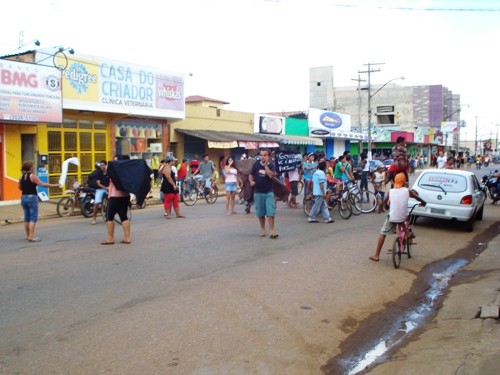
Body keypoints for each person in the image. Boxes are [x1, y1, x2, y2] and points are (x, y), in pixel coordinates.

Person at [369, 173, 426, 261]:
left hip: (393, 217)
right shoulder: (407, 191)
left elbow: (384, 204)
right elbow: (416, 197)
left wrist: (386, 207)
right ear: (404, 182)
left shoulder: (390, 191)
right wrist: (423, 202)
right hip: (403, 217)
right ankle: (406, 232)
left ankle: (376, 255)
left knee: (383, 233)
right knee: (404, 216)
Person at [18, 161, 61, 242]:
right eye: (33, 166)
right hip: (32, 197)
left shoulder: (21, 176)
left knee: (26, 217)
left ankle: (28, 235)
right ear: (30, 167)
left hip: (23, 197)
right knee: (33, 218)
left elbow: (19, 187)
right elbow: (43, 184)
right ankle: (31, 236)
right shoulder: (33, 176)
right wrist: (55, 185)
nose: (33, 167)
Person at [249, 148, 278, 238]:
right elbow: (251, 175)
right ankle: (263, 229)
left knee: (270, 211)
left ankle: (272, 231)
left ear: (269, 157)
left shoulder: (272, 166)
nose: (262, 157)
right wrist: (251, 182)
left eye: (265, 155)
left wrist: (265, 166)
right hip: (258, 191)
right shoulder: (256, 165)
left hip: (269, 191)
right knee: (260, 212)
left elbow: (270, 175)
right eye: (261, 155)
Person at [102, 155, 132, 245]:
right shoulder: (127, 171)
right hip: (125, 195)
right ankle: (127, 238)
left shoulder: (115, 170)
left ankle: (110, 238)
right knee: (123, 216)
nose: (113, 162)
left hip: (115, 196)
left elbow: (109, 178)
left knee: (109, 217)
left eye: (115, 160)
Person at [161, 155, 185, 219]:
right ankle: (168, 214)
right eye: (173, 161)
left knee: (176, 199)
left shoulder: (171, 167)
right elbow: (168, 177)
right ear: (171, 161)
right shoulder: (166, 168)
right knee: (168, 200)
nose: (174, 162)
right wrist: (173, 185)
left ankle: (178, 213)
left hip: (173, 186)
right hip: (168, 186)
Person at [91, 160, 110, 225]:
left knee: (112, 201)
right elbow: (98, 184)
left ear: (106, 165)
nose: (101, 167)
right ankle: (94, 218)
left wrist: (109, 188)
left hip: (109, 189)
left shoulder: (109, 172)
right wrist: (106, 188)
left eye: (102, 165)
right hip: (100, 189)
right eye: (100, 165)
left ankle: (109, 215)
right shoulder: (98, 173)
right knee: (96, 203)